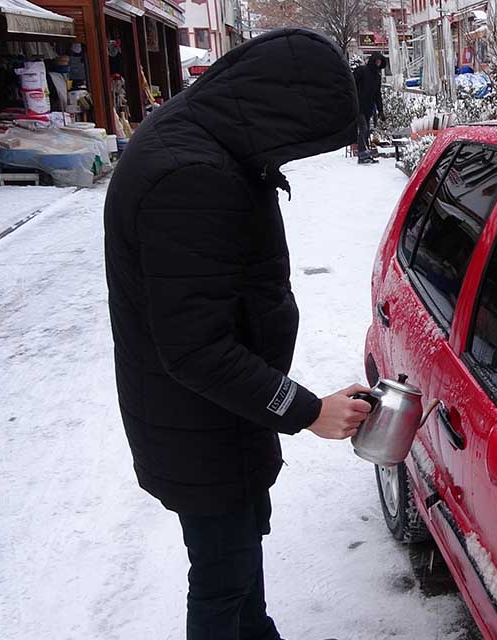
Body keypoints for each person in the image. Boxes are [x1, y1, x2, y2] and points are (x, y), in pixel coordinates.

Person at [103, 29, 370, 640]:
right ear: (281, 112)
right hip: (199, 426)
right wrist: (305, 410)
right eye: (305, 140)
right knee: (223, 579)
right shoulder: (190, 176)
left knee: (238, 567)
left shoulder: (208, 137)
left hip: (217, 420)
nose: (297, 155)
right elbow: (197, 349)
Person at [352, 52, 386, 164]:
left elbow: (377, 94)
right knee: (363, 128)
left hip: (368, 108)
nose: (378, 63)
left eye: (380, 62)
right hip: (358, 106)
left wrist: (380, 110)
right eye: (377, 61)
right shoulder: (362, 71)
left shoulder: (377, 77)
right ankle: (362, 155)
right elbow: (352, 85)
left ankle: (364, 153)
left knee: (366, 130)